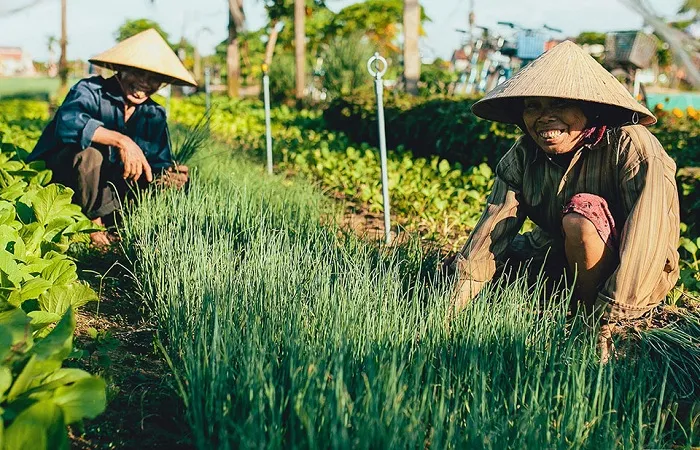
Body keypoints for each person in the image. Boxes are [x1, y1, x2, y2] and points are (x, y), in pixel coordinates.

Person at [447, 41, 680, 361]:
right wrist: (450, 310)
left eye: (558, 104)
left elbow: (648, 243)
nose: (544, 118)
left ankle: (586, 323)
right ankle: (565, 305)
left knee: (581, 217)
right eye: (533, 106)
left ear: (589, 109)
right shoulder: (524, 153)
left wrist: (611, 320)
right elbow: (492, 232)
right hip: (558, 254)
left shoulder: (633, 148)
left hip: (633, 273)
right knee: (469, 271)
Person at [28, 29, 197, 245]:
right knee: (91, 152)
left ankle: (120, 223)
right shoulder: (90, 90)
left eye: (154, 78)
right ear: (120, 69)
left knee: (171, 179)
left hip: (106, 188)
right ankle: (93, 226)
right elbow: (68, 123)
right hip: (60, 181)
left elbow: (156, 163)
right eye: (138, 73)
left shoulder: (153, 114)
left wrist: (169, 175)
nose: (145, 83)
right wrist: (122, 140)